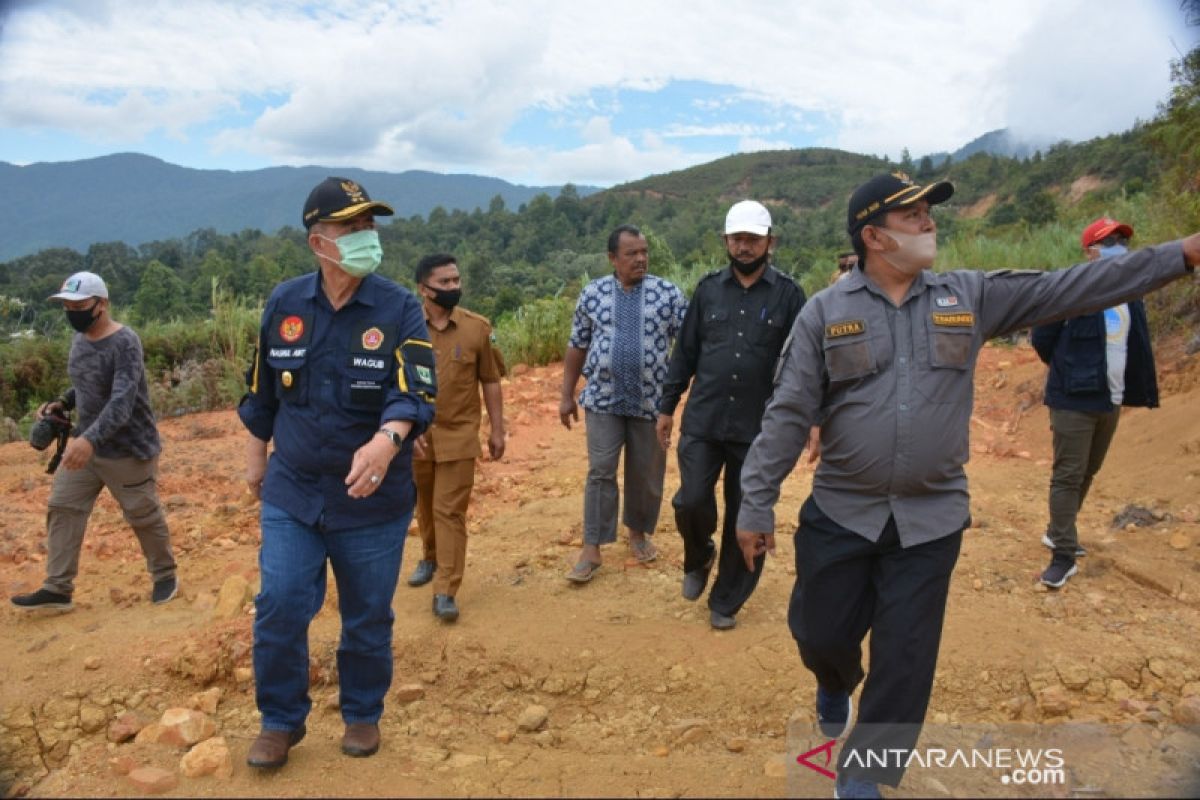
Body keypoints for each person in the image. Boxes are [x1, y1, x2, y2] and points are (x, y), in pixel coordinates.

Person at [735, 172, 1199, 797]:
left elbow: (1077, 285)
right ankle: (833, 679)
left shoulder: (969, 295)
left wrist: (1184, 253)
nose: (929, 223)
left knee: (905, 657)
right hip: (842, 511)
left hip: (931, 519)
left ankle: (863, 775)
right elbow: (789, 412)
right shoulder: (826, 312)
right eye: (914, 216)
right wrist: (755, 502)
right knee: (822, 635)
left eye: (929, 212)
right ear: (874, 236)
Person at [238, 178, 436, 769]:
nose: (366, 238)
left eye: (369, 226)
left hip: (372, 497)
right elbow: (261, 390)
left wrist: (387, 440)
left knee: (367, 615)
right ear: (318, 243)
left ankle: (361, 713)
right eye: (352, 228)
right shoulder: (285, 303)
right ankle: (279, 720)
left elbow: (418, 392)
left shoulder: (399, 307)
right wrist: (255, 460)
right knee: (279, 602)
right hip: (293, 489)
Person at [656, 201, 806, 629]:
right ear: (726, 241)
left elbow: (803, 362)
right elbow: (684, 353)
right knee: (690, 499)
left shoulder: (790, 295)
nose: (744, 247)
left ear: (769, 242)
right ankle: (699, 554)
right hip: (704, 420)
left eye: (753, 239)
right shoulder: (707, 291)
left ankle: (726, 599)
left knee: (748, 513)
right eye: (737, 239)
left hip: (759, 428)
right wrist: (667, 406)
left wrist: (809, 416)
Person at [10, 272, 177, 613]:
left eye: (80, 305)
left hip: (128, 449)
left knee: (142, 514)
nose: (73, 312)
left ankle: (164, 575)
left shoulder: (125, 342)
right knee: (63, 507)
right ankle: (57, 589)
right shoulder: (80, 341)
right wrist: (64, 402)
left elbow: (122, 400)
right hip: (88, 447)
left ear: (102, 305)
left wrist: (88, 439)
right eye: (68, 306)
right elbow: (88, 386)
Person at [1032, 217, 1157, 588]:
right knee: (1068, 475)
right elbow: (1043, 338)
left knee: (1087, 471)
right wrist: (1071, 371)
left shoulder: (1130, 293)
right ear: (1090, 252)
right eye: (1110, 241)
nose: (1120, 245)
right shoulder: (1073, 290)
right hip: (1073, 399)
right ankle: (1063, 555)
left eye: (1122, 239)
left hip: (1111, 398)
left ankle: (1059, 531)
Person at [559, 225, 687, 582]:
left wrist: (679, 395)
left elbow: (689, 344)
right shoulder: (593, 293)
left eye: (644, 251)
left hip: (651, 402)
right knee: (601, 470)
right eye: (631, 253)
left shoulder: (668, 294)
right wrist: (566, 394)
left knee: (646, 472)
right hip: (602, 399)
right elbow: (577, 344)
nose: (641, 258)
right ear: (613, 258)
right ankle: (592, 547)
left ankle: (637, 532)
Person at [406, 253, 506, 622]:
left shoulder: (476, 328)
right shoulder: (404, 326)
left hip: (460, 434)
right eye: (444, 283)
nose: (453, 288)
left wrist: (498, 428)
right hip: (415, 433)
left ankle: (445, 589)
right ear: (424, 289)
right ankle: (430, 557)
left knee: (449, 510)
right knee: (425, 502)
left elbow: (491, 380)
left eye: (456, 281)